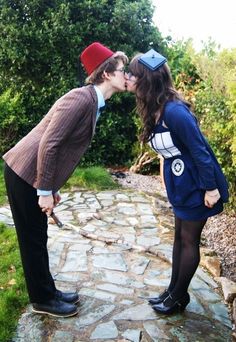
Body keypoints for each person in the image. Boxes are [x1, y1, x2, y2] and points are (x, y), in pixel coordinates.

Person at [3, 42, 128, 318]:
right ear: (106, 73)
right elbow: (50, 144)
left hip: (31, 175)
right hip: (23, 173)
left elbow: (63, 152)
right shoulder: (81, 98)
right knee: (32, 240)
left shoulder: (92, 101)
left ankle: (48, 291)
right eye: (122, 69)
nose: (126, 75)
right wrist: (44, 189)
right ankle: (42, 300)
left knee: (38, 236)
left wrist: (52, 188)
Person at [125, 49, 229, 315]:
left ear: (146, 80)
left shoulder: (175, 112)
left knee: (189, 241)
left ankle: (179, 296)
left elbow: (201, 152)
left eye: (133, 74)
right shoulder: (156, 109)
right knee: (178, 239)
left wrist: (211, 190)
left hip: (198, 186)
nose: (128, 77)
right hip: (181, 185)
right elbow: (169, 154)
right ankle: (172, 291)